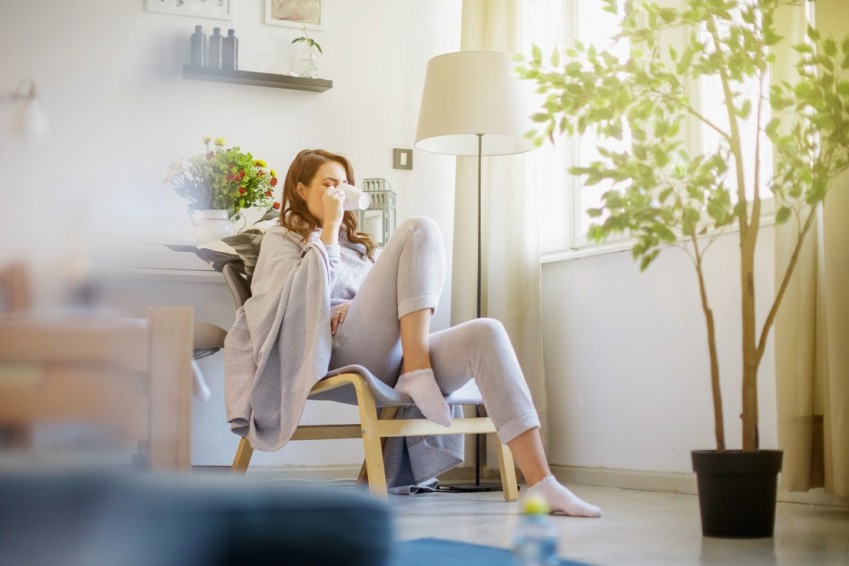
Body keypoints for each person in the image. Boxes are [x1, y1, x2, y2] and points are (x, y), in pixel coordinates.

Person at [224, 148, 601, 518]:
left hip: (393, 352)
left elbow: (385, 301)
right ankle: (417, 371)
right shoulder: (282, 239)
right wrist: (330, 231)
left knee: (487, 333)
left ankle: (542, 484)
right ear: (301, 190)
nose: (339, 192)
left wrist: (356, 306)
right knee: (419, 228)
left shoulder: (361, 246)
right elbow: (287, 308)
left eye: (344, 184)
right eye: (328, 184)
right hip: (331, 350)